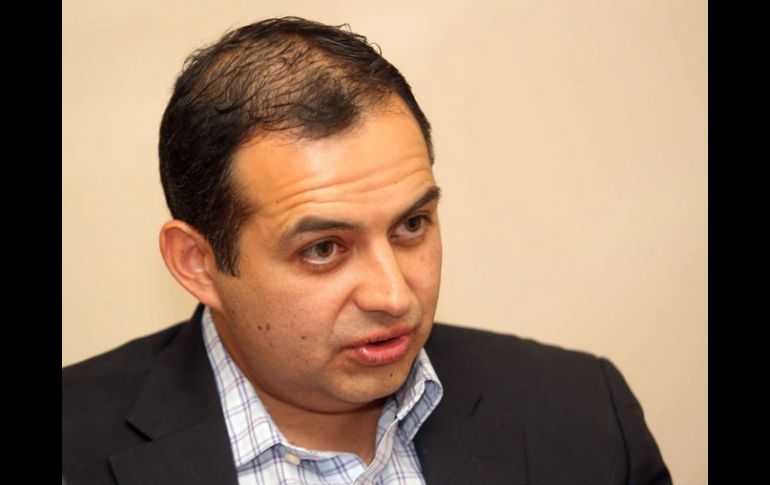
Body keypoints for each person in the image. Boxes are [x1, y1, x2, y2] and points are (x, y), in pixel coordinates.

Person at [62, 16, 672, 485]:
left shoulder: (584, 415)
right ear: (198, 264)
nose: (394, 295)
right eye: (324, 248)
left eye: (412, 225)